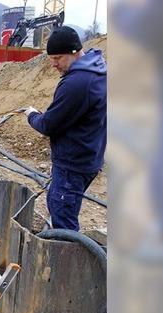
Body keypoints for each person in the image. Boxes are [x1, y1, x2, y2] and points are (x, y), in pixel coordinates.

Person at [24, 27, 106, 231]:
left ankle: (67, 258)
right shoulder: (98, 69)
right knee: (59, 205)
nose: (53, 64)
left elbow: (48, 125)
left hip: (73, 163)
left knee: (63, 216)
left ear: (74, 52)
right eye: (51, 58)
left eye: (58, 58)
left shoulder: (77, 83)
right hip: (89, 156)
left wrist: (32, 115)